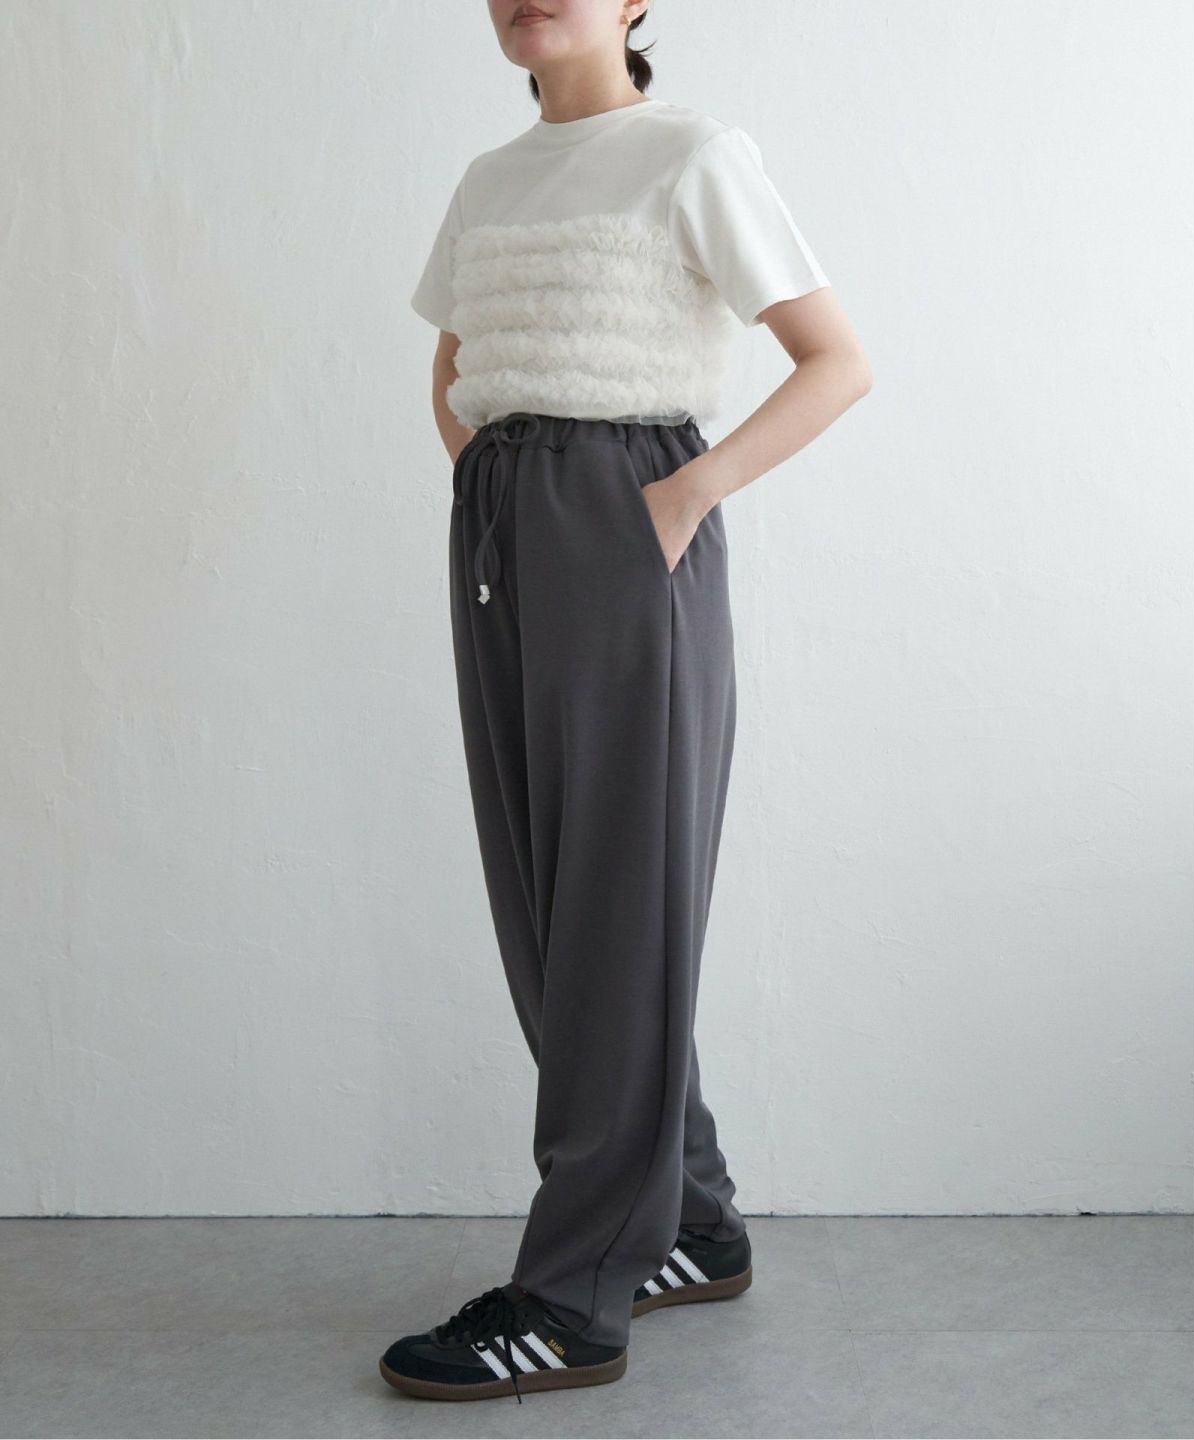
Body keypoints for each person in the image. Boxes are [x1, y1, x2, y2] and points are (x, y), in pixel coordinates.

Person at [381, 0, 872, 1404]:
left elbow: (838, 359)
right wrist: (493, 482)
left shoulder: (693, 154)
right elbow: (458, 362)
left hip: (623, 520)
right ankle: (692, 1223)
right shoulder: (489, 179)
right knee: (552, 907)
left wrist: (674, 498)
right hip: (505, 529)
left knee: (616, 907)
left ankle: (575, 1292)